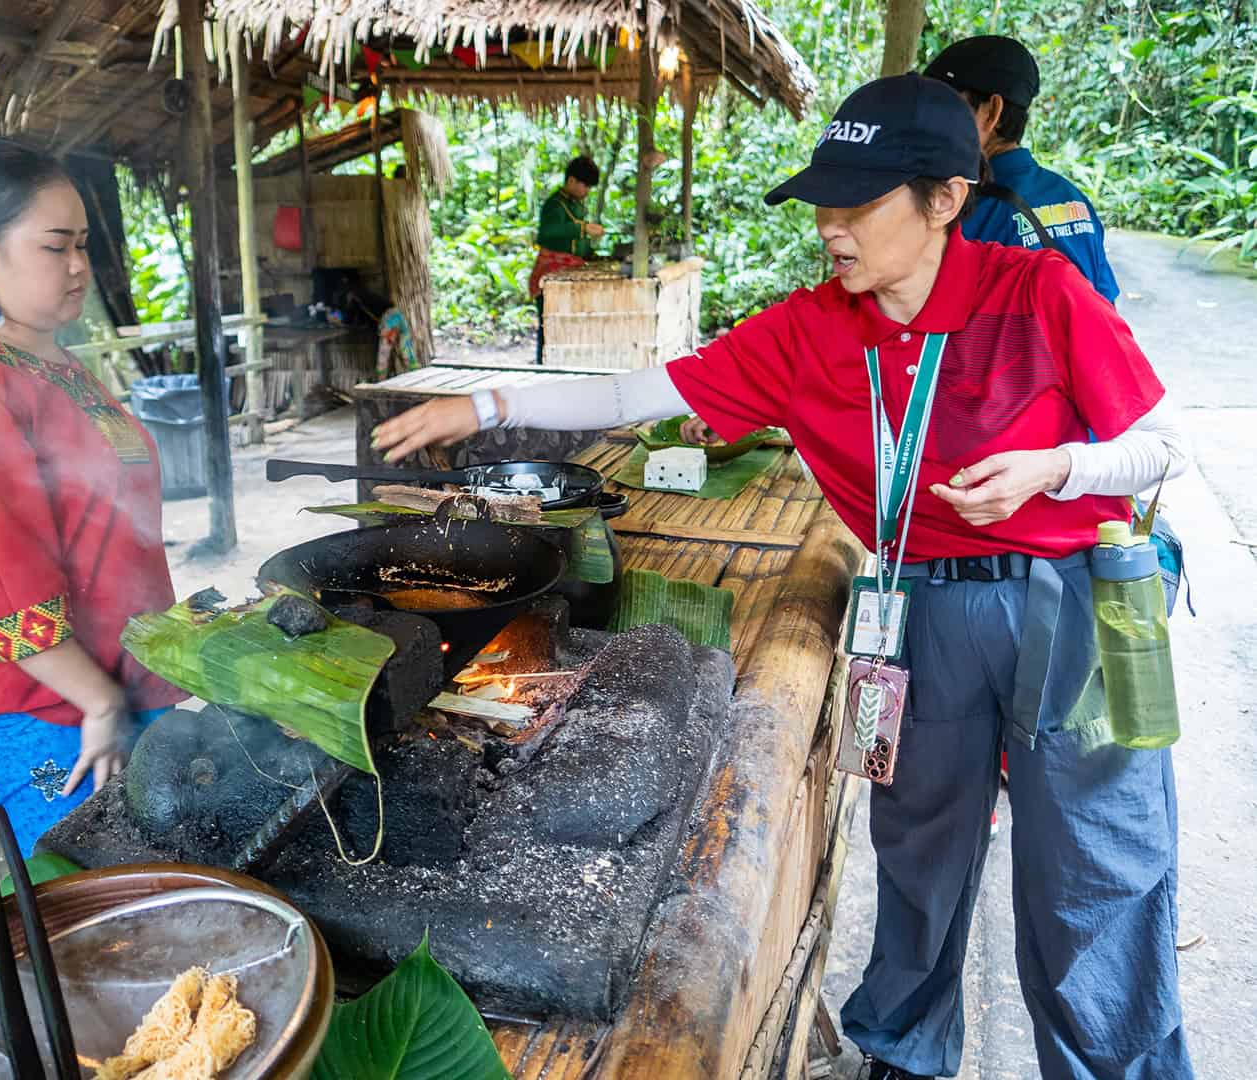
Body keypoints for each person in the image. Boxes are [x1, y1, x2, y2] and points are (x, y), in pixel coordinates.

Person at [373, 74, 1192, 1080]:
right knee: (917, 847)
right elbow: (647, 388)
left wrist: (1056, 468)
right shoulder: (809, 329)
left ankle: (1121, 1064)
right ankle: (904, 1054)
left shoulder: (1037, 293)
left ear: (943, 199)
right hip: (918, 613)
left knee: (1096, 874)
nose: (831, 228)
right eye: (823, 205)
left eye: (859, 205)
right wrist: (484, 405)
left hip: (1067, 614)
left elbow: (1160, 448)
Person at [0, 139, 186, 855]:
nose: (80, 266)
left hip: (128, 683)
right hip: (57, 710)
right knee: (92, 904)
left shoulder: (52, 362)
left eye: (81, 244)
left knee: (170, 885)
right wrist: (101, 700)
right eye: (56, 247)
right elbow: (6, 596)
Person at [925, 35, 1120, 302]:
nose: (929, 121)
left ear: (992, 111)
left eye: (945, 104)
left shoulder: (965, 210)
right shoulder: (1075, 199)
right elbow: (1106, 302)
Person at [529, 155, 606, 363]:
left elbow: (578, 244)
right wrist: (583, 228)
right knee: (549, 325)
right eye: (585, 186)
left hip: (571, 272)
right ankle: (543, 366)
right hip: (551, 273)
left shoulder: (576, 205)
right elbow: (547, 234)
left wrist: (592, 255)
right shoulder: (554, 205)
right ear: (571, 181)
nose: (587, 191)